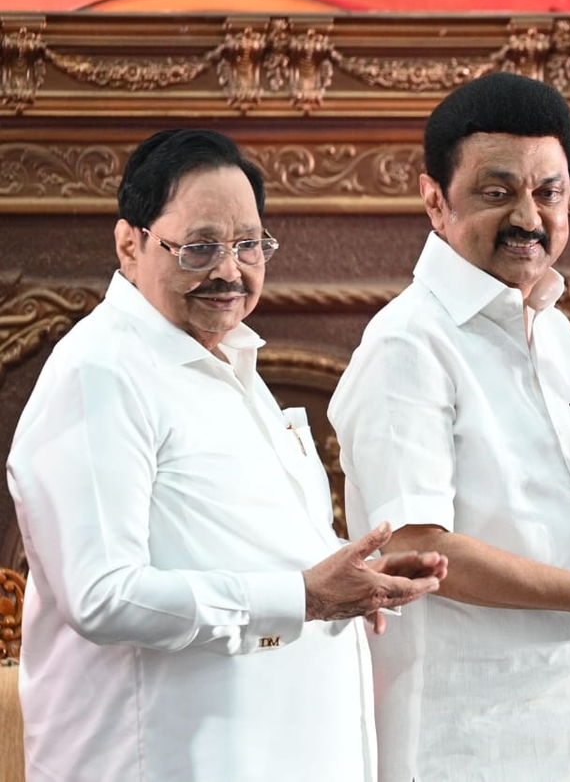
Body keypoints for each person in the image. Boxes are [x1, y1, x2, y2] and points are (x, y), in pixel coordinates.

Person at [5, 129, 449, 782]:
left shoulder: (228, 355)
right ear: (129, 243)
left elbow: (240, 544)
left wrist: (350, 580)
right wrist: (303, 596)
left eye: (249, 244)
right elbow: (102, 594)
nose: (230, 269)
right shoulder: (100, 371)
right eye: (201, 246)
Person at [327, 72, 570, 782]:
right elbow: (421, 554)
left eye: (550, 191)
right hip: (470, 742)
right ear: (434, 200)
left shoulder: (548, 328)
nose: (529, 215)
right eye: (496, 191)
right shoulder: (408, 344)